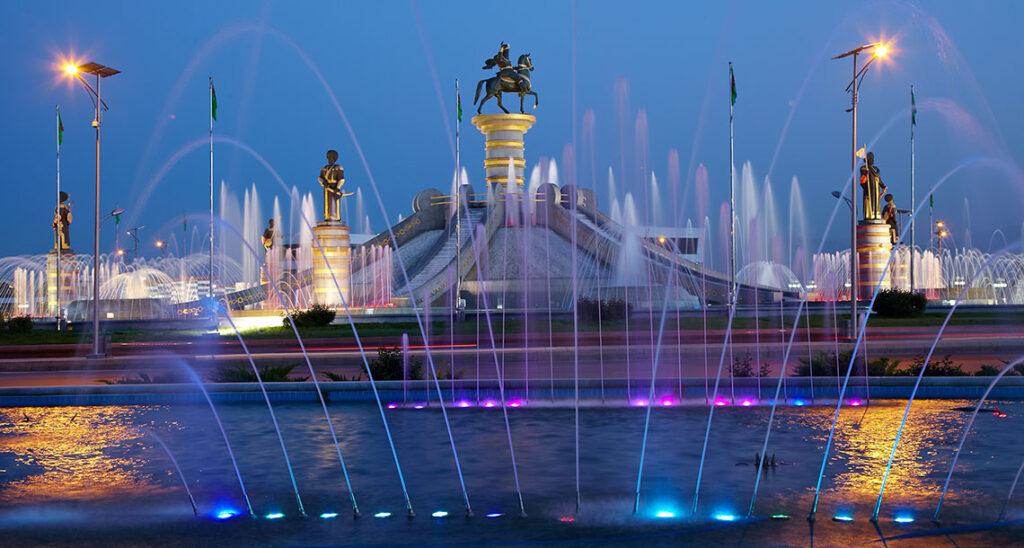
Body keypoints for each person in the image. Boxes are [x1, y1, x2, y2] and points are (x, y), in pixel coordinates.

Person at [859, 152, 887, 220]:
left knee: (876, 202)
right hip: (868, 188)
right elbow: (862, 179)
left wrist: (883, 186)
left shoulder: (876, 169)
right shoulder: (863, 168)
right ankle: (869, 215)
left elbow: (878, 178)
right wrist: (866, 173)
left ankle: (876, 215)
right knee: (868, 202)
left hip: (876, 188)